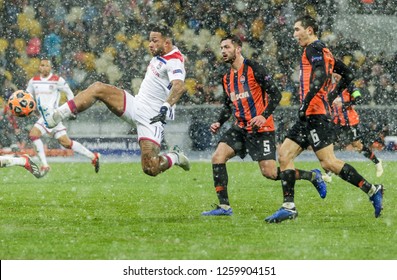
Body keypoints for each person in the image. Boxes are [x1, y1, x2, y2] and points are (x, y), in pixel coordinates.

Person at [265, 15, 383, 223]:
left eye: (297, 29)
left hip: (315, 115)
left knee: (329, 162)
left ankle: (373, 190)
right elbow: (347, 73)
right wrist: (330, 95)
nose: (294, 34)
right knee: (284, 155)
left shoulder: (312, 49)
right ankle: (289, 207)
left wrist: (307, 101)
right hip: (311, 115)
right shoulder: (325, 51)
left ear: (309, 30)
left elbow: (319, 76)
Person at [40, 23, 190, 176]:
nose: (150, 45)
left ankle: (175, 157)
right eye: (149, 40)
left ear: (167, 42)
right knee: (98, 88)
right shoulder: (162, 54)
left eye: (154, 41)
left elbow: (179, 86)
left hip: (152, 117)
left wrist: (166, 105)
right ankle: (57, 115)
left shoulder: (174, 60)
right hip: (136, 104)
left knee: (151, 168)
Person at [201, 35, 327, 216]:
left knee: (270, 173)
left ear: (238, 49)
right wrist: (219, 122)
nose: (223, 51)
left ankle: (312, 176)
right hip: (240, 128)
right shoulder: (227, 78)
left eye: (227, 47)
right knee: (217, 157)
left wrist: (263, 116)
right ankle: (224, 207)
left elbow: (276, 94)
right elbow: (229, 105)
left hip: (262, 129)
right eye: (221, 48)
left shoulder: (254, 69)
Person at [26, 58, 100, 177]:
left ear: (50, 68)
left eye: (46, 65)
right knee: (66, 143)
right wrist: (29, 108)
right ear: (39, 67)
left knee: (34, 134)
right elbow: (27, 96)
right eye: (42, 65)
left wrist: (72, 110)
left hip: (53, 114)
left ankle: (44, 165)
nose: (44, 67)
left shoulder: (57, 80)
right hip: (46, 117)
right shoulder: (33, 81)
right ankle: (93, 156)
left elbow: (69, 93)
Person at [322, 73, 383, 182]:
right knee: (328, 144)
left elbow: (359, 99)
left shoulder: (350, 85)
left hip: (350, 121)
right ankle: (328, 172)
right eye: (334, 74)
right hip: (336, 121)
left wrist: (344, 103)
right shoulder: (330, 86)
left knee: (358, 146)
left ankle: (377, 161)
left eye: (338, 74)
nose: (335, 76)